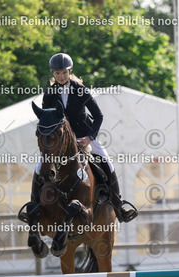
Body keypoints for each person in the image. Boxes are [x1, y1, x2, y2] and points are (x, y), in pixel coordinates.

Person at [19, 53, 138, 223]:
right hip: (61, 141)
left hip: (84, 135)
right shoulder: (49, 94)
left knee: (106, 161)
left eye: (64, 72)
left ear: (70, 71)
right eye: (57, 73)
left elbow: (98, 116)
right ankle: (33, 207)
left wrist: (90, 138)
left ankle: (119, 206)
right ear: (53, 73)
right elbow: (46, 119)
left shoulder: (80, 90)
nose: (61, 76)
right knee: (40, 167)